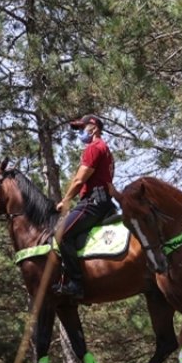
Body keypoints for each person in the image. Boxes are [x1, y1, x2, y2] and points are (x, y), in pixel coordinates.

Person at [53, 114, 118, 299]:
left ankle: (76, 284)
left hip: (92, 202)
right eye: (78, 129)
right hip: (105, 202)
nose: (80, 132)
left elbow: (79, 179)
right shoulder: (106, 150)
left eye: (82, 128)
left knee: (61, 235)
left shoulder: (94, 148)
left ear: (94, 127)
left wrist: (65, 200)